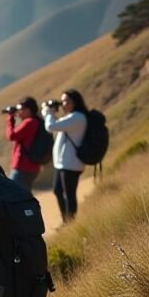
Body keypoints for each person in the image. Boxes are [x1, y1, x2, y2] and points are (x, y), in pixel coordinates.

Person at [43, 88, 88, 224]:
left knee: (69, 194)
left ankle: (70, 222)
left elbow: (51, 126)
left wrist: (48, 112)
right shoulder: (72, 117)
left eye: (66, 101)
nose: (63, 104)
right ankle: (66, 220)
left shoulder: (77, 117)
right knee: (58, 191)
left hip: (71, 164)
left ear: (75, 101)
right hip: (63, 163)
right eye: (62, 101)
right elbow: (58, 126)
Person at [4, 96, 42, 192]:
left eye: (20, 109)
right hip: (32, 166)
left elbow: (11, 135)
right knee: (25, 195)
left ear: (28, 110)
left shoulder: (30, 122)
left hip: (23, 167)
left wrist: (10, 118)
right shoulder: (37, 121)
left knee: (12, 192)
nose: (18, 112)